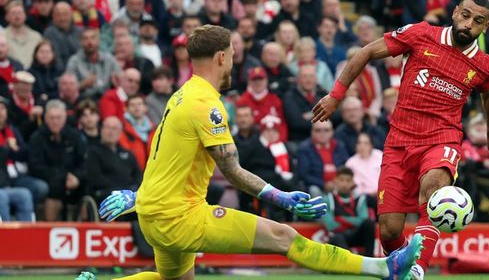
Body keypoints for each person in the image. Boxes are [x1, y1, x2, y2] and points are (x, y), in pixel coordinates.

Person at [82, 25, 422, 280]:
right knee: (283, 236)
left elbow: (165, 159)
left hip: (154, 213)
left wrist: (137, 198)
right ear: (220, 57)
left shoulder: (182, 95)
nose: (233, 60)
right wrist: (281, 197)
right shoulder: (206, 106)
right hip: (177, 218)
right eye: (231, 54)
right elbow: (231, 170)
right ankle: (383, 267)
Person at [312, 0, 489, 280]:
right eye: (465, 15)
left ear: (485, 27)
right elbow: (364, 52)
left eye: (477, 21)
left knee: (433, 190)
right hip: (399, 142)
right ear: (454, 12)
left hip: (442, 138)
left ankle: (417, 270)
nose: (468, 24)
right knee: (388, 230)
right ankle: (402, 264)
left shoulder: (483, 64)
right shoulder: (421, 34)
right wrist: (336, 95)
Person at [322, 167, 376, 257]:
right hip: (338, 236)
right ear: (335, 181)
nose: (344, 184)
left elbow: (363, 220)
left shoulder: (359, 199)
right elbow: (330, 225)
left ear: (352, 183)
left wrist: (340, 219)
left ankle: (370, 259)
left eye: (348, 181)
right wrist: (354, 221)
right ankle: (351, 261)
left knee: (369, 223)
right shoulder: (328, 199)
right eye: (341, 180)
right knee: (336, 237)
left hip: (356, 235)